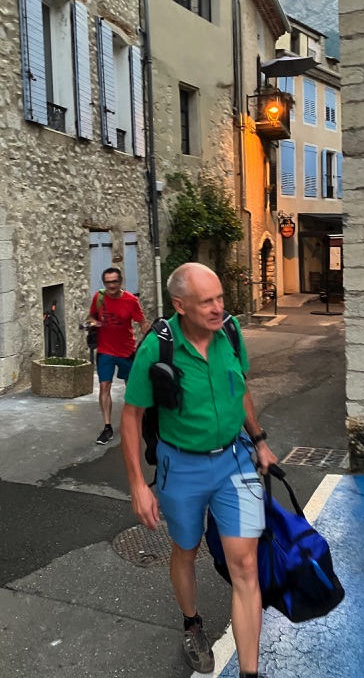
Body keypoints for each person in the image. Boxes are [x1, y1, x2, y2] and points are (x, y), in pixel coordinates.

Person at [120, 263, 277, 677]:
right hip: (181, 468)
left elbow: (240, 389)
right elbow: (132, 417)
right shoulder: (158, 346)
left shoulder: (231, 331)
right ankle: (192, 623)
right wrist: (138, 484)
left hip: (235, 461)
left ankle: (249, 673)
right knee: (185, 550)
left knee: (246, 565)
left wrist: (259, 439)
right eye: (207, 301)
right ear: (180, 305)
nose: (218, 307)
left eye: (220, 297)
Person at [87, 267, 151, 445]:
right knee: (104, 386)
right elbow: (91, 317)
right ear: (104, 283)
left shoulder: (131, 301)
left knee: (132, 388)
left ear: (120, 281)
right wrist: (92, 324)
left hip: (126, 351)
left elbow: (142, 323)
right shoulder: (99, 298)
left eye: (114, 281)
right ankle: (107, 427)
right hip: (105, 350)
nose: (111, 285)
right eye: (108, 282)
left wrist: (151, 344)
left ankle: (138, 420)